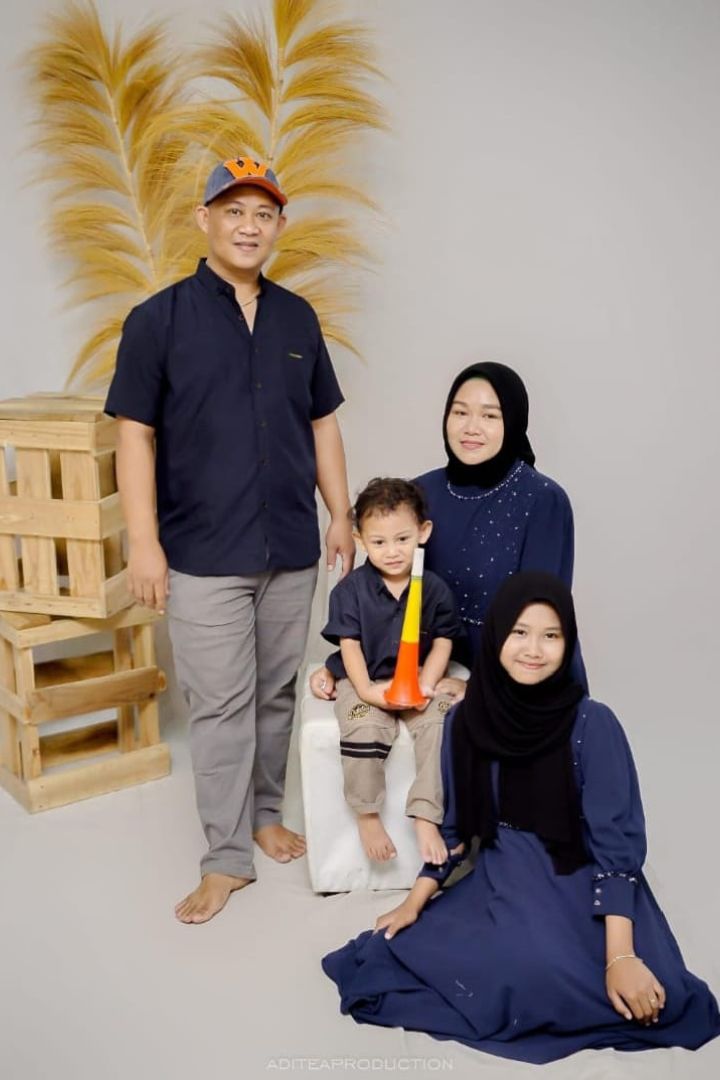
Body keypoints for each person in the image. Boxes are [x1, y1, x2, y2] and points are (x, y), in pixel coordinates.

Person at [322, 572, 720, 1063]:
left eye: (551, 635)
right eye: (520, 632)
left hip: (584, 872)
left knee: (651, 998)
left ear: (568, 643)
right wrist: (416, 900)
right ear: (496, 637)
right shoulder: (466, 720)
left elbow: (616, 845)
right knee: (503, 972)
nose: (534, 649)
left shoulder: (593, 724)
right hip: (507, 872)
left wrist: (621, 954)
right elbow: (456, 828)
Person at [105, 157, 354, 924]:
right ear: (205, 218)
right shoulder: (157, 320)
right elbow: (134, 434)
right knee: (219, 707)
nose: (249, 226)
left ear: (280, 226)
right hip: (203, 552)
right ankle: (225, 858)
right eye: (235, 210)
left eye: (263, 213)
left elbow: (322, 423)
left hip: (290, 545)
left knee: (276, 693)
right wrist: (144, 543)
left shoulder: (298, 319)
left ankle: (265, 814)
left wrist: (340, 514)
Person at [310, 362, 581, 704]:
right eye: (460, 412)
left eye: (490, 416)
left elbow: (543, 617)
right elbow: (379, 598)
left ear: (513, 421)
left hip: (518, 686)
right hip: (434, 674)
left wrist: (479, 688)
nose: (471, 428)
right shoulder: (420, 493)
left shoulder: (543, 500)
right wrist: (341, 668)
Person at [321, 478, 464, 865]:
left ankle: (426, 814)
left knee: (441, 724)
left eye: (402, 539)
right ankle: (367, 815)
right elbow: (350, 645)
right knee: (364, 725)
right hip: (365, 679)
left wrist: (427, 682)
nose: (393, 551)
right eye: (379, 542)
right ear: (361, 540)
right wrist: (367, 691)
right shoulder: (349, 591)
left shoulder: (434, 588)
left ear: (423, 532)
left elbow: (444, 641)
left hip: (416, 677)